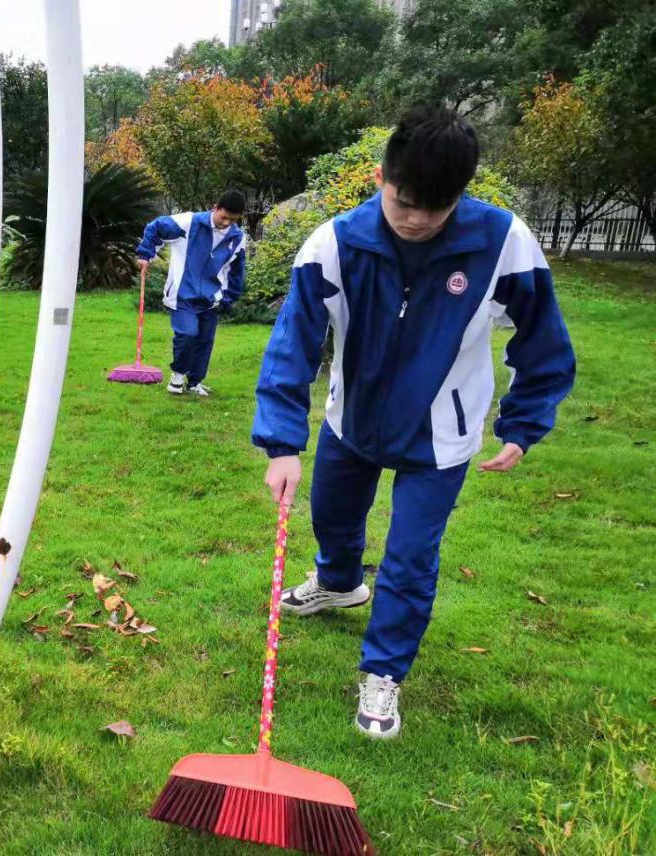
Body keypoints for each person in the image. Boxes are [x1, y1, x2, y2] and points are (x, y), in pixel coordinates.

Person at [251, 106, 576, 739]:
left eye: (437, 205)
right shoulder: (336, 243)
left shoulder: (504, 241)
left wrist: (524, 422)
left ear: (462, 193)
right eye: (405, 202)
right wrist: (282, 443)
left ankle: (383, 674)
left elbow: (542, 340)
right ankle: (340, 584)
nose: (419, 219)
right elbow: (293, 344)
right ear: (380, 177)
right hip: (353, 419)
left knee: (408, 557)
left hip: (441, 436)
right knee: (334, 518)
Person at [136, 189, 247, 396]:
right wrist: (146, 253)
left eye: (232, 220)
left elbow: (236, 271)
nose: (226, 223)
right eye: (224, 217)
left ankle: (195, 382)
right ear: (216, 208)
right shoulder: (188, 223)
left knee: (204, 341)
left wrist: (229, 297)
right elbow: (156, 227)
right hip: (182, 294)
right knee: (187, 335)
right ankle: (177, 376)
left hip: (211, 298)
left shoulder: (237, 238)